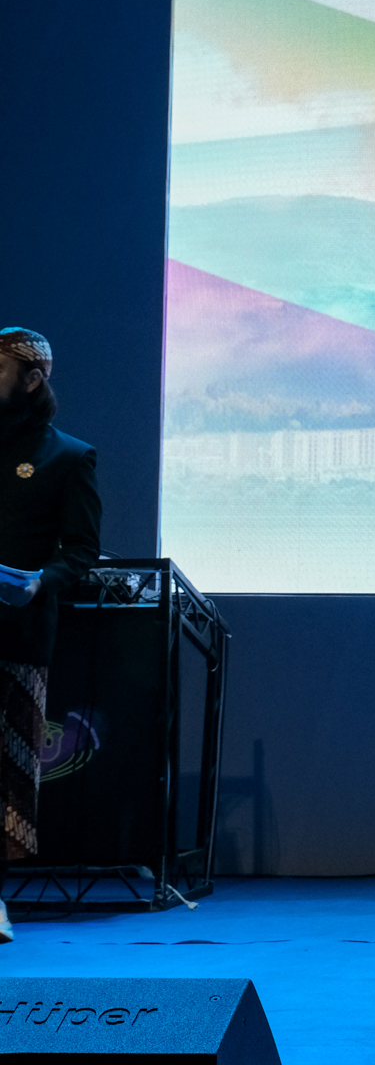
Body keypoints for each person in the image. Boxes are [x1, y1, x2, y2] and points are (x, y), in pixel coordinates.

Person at [0, 329, 100, 942]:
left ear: (32, 379)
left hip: (16, 635)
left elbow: (82, 551)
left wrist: (40, 582)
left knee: (6, 773)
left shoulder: (68, 456)